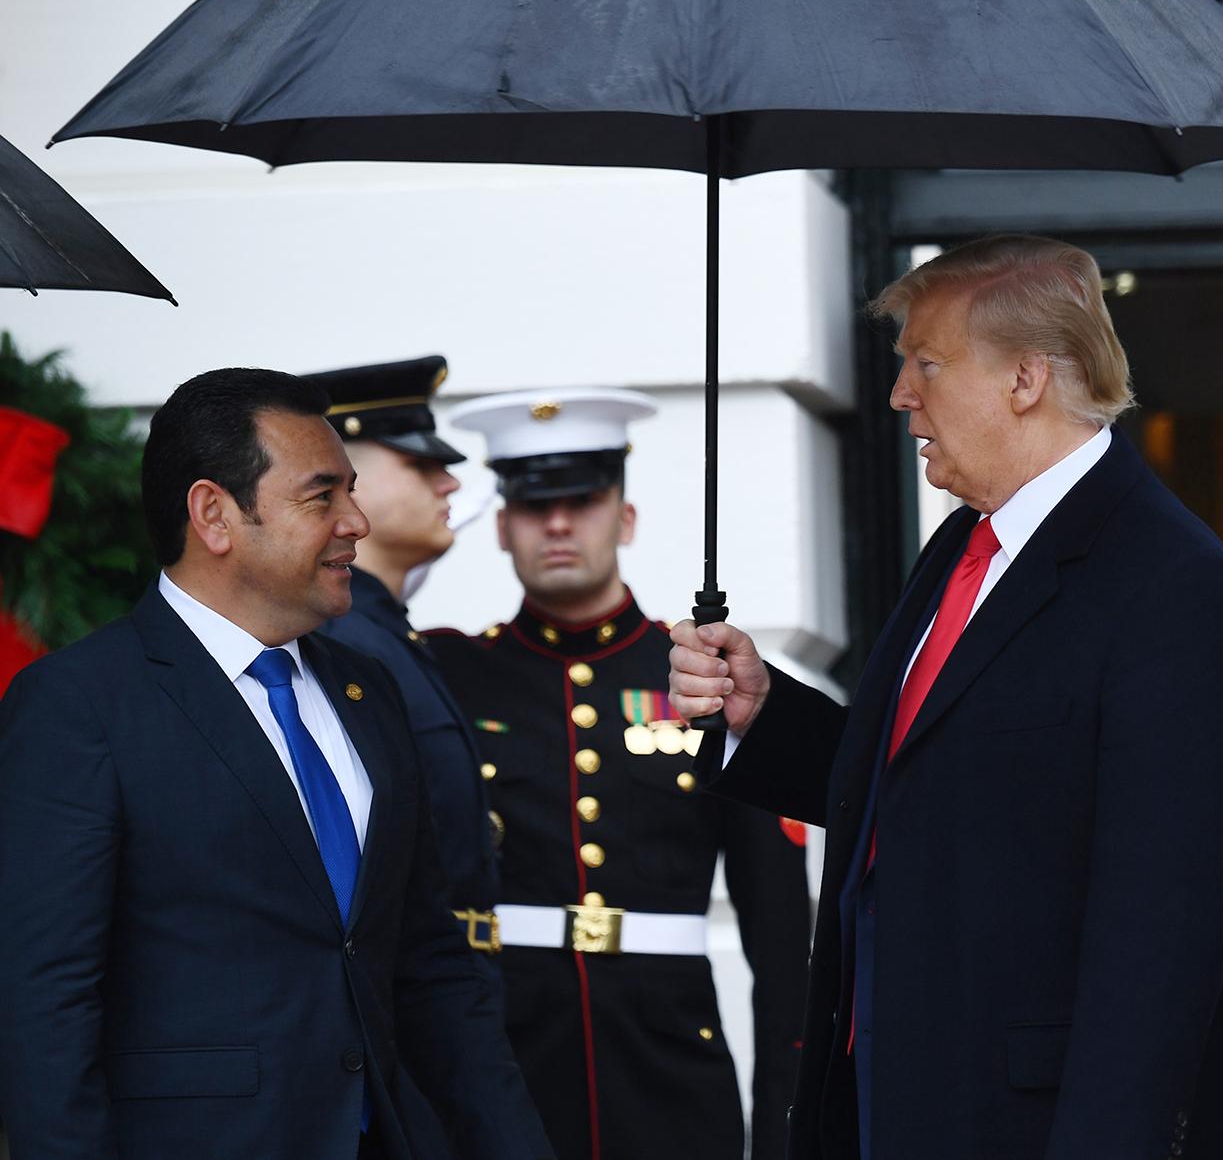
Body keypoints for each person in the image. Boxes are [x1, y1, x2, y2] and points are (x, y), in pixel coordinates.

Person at [668, 234, 1223, 1160]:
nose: (902, 391)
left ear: (1025, 377)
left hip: (1030, 1125)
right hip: (890, 1103)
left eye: (927, 362)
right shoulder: (961, 549)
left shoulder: (1169, 580)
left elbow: (1164, 929)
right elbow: (927, 786)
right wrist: (760, 715)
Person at [0, 368, 551, 1160]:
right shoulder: (79, 704)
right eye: (320, 495)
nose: (354, 520)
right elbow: (43, 1008)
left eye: (351, 491)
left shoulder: (368, 692)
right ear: (214, 514)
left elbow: (434, 973)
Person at [426, 388, 810, 1160]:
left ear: (626, 517)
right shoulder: (450, 677)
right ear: (501, 526)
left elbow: (781, 939)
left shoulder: (704, 680)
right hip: (508, 1073)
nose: (559, 523)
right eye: (535, 505)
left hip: (671, 1078)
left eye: (583, 498)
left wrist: (782, 1138)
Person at [306, 356, 504, 973]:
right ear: (346, 478)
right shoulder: (340, 639)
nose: (450, 485)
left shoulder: (387, 633)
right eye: (422, 465)